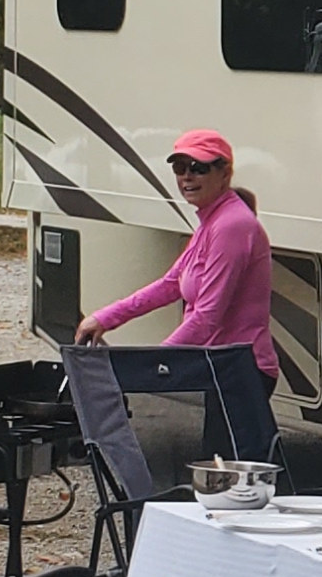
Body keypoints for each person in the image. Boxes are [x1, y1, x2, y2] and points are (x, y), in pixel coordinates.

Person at [78, 129, 279, 459]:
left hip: (243, 370)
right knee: (220, 476)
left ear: (224, 172)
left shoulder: (232, 225)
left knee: (230, 484)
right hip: (223, 366)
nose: (187, 176)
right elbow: (172, 284)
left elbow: (208, 315)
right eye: (179, 167)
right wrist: (106, 317)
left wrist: (157, 361)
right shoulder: (211, 221)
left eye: (198, 168)